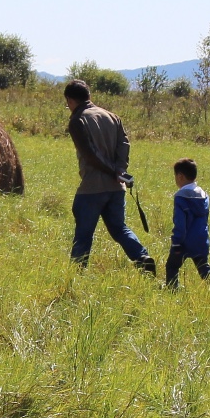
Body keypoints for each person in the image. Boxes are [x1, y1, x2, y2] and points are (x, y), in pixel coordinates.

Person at [63, 78, 157, 274]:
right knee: (119, 229)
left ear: (70, 99)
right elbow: (124, 145)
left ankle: (76, 274)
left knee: (84, 233)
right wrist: (120, 171)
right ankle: (142, 258)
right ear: (89, 96)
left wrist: (114, 171)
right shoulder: (112, 117)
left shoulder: (77, 120)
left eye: (67, 102)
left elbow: (90, 155)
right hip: (116, 187)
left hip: (92, 187)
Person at [165, 157, 210, 288]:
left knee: (172, 267)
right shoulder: (204, 195)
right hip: (201, 240)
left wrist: (177, 242)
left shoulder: (181, 196)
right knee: (203, 268)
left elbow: (180, 223)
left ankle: (172, 291)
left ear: (180, 176)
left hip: (183, 242)